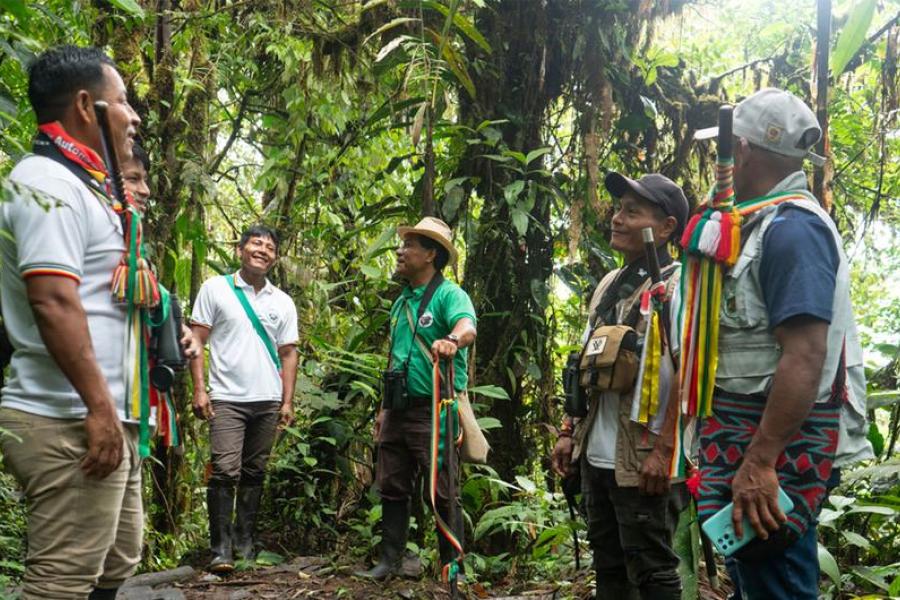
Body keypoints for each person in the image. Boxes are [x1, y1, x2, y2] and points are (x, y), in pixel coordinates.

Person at [0, 45, 197, 600]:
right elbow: (54, 302)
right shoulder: (47, 183)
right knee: (61, 581)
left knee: (115, 563)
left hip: (108, 416)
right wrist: (99, 409)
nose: (134, 116)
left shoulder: (87, 187)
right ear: (87, 106)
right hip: (71, 418)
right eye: (124, 101)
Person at [691, 88, 870, 599]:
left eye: (722, 151)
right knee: (758, 576)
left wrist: (762, 461)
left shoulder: (792, 229)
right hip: (744, 439)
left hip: (776, 450)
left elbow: (806, 353)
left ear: (741, 151)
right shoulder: (759, 223)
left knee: (777, 580)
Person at [552, 173, 691, 599]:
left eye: (632, 212)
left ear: (666, 228)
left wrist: (666, 449)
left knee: (652, 568)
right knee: (608, 563)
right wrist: (567, 429)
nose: (617, 219)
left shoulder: (681, 284)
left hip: (644, 455)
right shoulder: (609, 285)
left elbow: (689, 373)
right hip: (597, 450)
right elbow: (584, 362)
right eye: (618, 209)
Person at [356, 217, 477, 581]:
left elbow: (467, 325)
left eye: (408, 245)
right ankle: (389, 561)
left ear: (430, 254)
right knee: (391, 484)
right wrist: (382, 411)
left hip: (433, 410)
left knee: (441, 488)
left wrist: (452, 340)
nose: (399, 250)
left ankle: (451, 566)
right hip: (397, 409)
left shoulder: (448, 294)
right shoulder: (401, 302)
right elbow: (395, 358)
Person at [189, 224, 299, 572]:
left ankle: (245, 545)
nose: (262, 249)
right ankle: (220, 550)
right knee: (224, 469)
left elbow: (289, 353)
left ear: (275, 257)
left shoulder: (282, 302)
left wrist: (287, 401)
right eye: (256, 243)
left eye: (270, 246)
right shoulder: (215, 289)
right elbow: (197, 340)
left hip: (267, 400)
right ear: (241, 249)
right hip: (226, 398)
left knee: (255, 471)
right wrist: (199, 389)